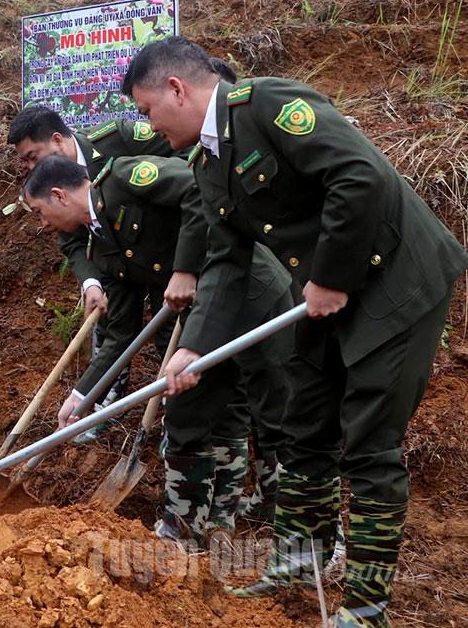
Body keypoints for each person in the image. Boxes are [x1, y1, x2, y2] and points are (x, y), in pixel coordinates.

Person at [124, 35, 468, 626]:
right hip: (320, 296)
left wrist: (332, 275)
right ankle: (300, 555)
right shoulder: (207, 162)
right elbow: (226, 262)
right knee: (303, 423)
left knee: (369, 442)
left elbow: (359, 176)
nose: (149, 128)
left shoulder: (267, 106)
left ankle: (366, 606)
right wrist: (191, 348)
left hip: (396, 282)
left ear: (176, 89)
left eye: (148, 111)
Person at [24, 152, 293, 548]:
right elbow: (120, 334)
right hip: (204, 323)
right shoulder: (103, 251)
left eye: (40, 211)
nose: (43, 224)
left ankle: (306, 530)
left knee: (276, 412)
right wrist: (82, 395)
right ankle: (185, 532)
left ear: (60, 195)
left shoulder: (126, 177)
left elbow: (198, 189)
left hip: (254, 298)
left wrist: (184, 268)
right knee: (186, 413)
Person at [7, 105, 177, 440]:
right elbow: (70, 241)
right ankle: (102, 404)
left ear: (57, 140)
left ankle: (178, 416)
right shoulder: (51, 189)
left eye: (32, 156)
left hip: (167, 256)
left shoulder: (119, 140)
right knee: (113, 328)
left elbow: (183, 165)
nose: (29, 167)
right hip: (113, 263)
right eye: (24, 162)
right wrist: (90, 281)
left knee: (170, 335)